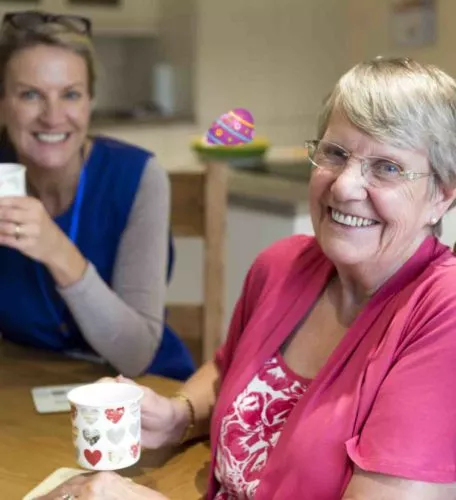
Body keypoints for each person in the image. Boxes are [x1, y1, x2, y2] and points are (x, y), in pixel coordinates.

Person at [40, 56, 456, 499]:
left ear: (442, 196)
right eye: (335, 154)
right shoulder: (283, 265)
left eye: (387, 167)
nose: (343, 187)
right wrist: (179, 415)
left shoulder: (441, 312)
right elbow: (229, 367)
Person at [0, 10, 195, 381]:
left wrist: (56, 250)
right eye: (30, 95)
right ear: (3, 103)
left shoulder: (137, 178)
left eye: (70, 94)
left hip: (140, 393)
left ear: (89, 102)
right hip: (26, 388)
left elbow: (136, 354)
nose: (53, 116)